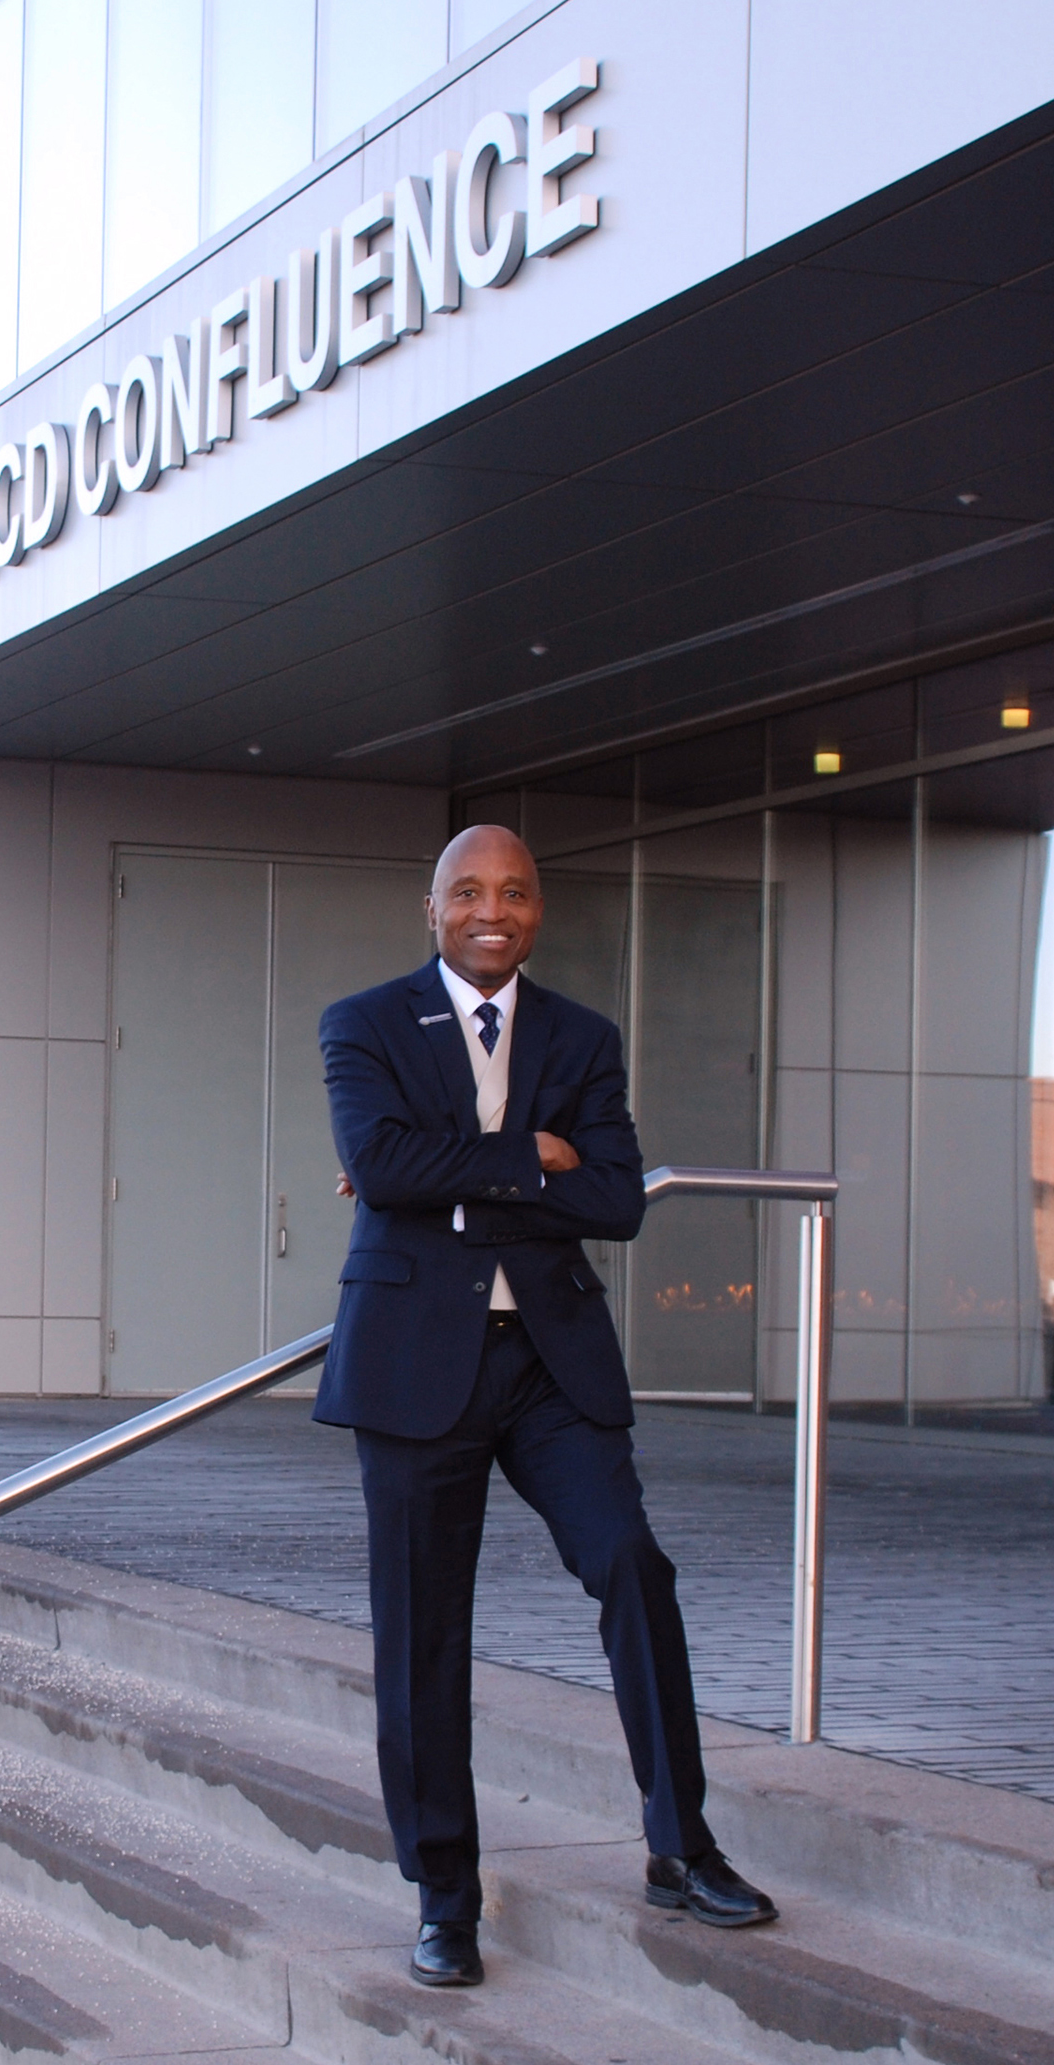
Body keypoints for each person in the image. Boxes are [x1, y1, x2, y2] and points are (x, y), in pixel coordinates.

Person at [314, 824, 776, 1989]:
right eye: (467, 889)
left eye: (514, 891)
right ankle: (445, 1897)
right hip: (417, 1365)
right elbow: (381, 1162)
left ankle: (682, 1843)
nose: (491, 910)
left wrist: (458, 1171)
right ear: (432, 908)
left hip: (551, 1364)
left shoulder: (583, 1034)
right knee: (423, 1631)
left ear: (537, 910)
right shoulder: (361, 1023)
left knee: (633, 1565)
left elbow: (617, 1200)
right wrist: (536, 1160)